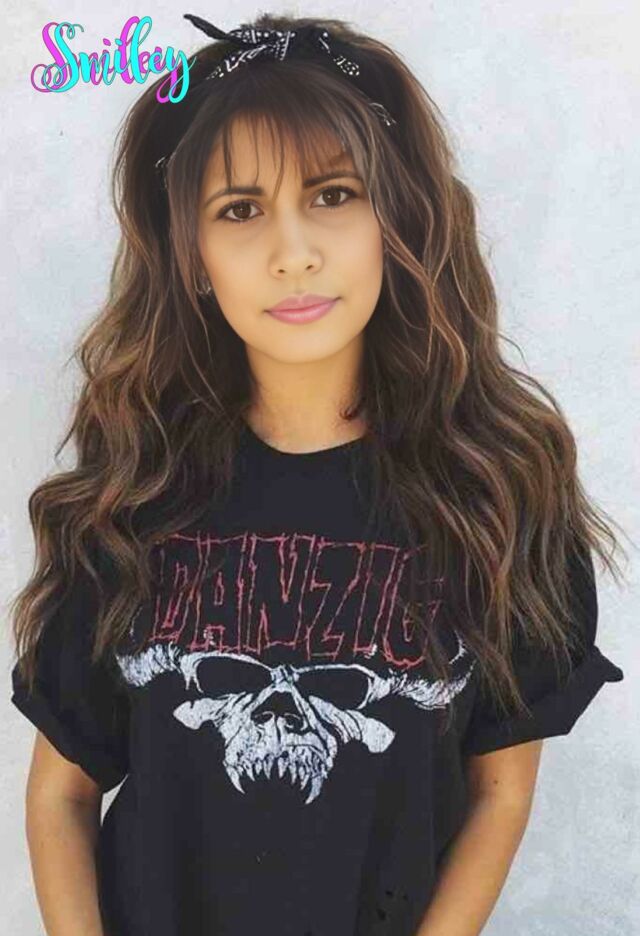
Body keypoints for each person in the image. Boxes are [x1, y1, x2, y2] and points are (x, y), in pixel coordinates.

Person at [9, 13, 625, 936]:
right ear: (193, 258)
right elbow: (60, 794)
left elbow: (500, 790)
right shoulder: (131, 499)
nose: (293, 251)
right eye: (240, 209)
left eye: (333, 194)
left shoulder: (497, 494)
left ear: (394, 218)